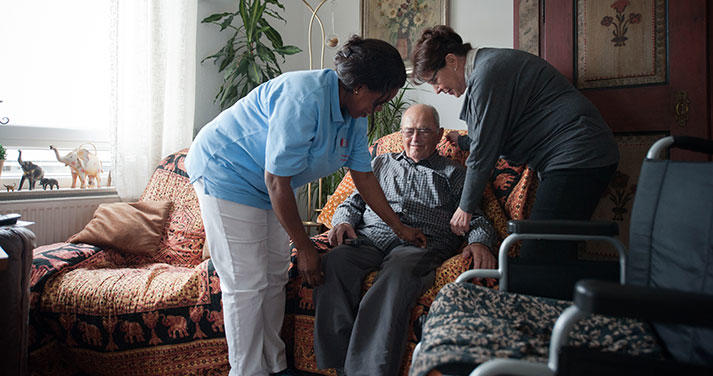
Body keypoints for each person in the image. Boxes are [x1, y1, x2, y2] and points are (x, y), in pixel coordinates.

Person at [185, 36, 426, 376]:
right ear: (358, 87)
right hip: (226, 172)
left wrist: (399, 227)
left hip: (265, 185)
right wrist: (305, 249)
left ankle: (274, 365)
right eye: (379, 99)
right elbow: (276, 182)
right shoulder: (303, 98)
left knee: (273, 273)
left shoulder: (354, 116)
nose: (380, 108)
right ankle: (247, 371)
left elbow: (364, 177)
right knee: (246, 282)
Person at [410, 26, 620, 297]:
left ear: (452, 60)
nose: (437, 90)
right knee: (554, 252)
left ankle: (628, 283)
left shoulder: (487, 73)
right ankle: (570, 318)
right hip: (575, 157)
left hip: (578, 155)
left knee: (536, 258)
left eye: (434, 79)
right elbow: (491, 132)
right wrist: (460, 140)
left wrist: (465, 207)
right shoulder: (487, 69)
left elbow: (484, 152)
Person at [313, 104, 496, 376]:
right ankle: (338, 365)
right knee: (334, 263)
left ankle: (368, 372)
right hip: (371, 238)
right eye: (409, 131)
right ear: (401, 133)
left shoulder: (454, 173)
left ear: (439, 134)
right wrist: (342, 222)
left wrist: (480, 241)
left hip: (419, 243)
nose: (415, 138)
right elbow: (352, 203)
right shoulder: (380, 163)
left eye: (424, 131)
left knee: (396, 275)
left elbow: (475, 217)